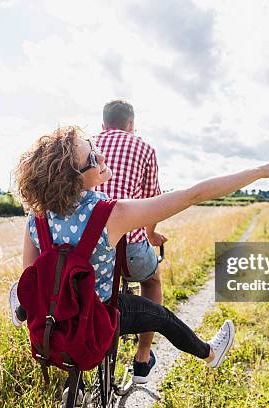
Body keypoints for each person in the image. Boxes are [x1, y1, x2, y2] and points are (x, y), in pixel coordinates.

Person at [11, 125, 269, 375]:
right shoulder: (110, 215)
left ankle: (18, 311)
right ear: (76, 178)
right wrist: (258, 171)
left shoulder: (36, 219)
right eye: (92, 155)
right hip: (95, 319)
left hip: (54, 327)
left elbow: (30, 279)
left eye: (93, 144)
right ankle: (208, 354)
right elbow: (193, 195)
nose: (101, 154)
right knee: (162, 316)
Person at [94, 99, 166, 383]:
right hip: (130, 250)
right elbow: (153, 202)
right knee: (152, 281)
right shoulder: (144, 148)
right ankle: (143, 357)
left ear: (103, 124)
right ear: (131, 125)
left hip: (88, 248)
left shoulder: (87, 145)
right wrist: (150, 235)